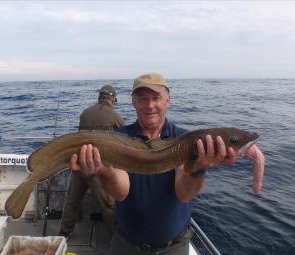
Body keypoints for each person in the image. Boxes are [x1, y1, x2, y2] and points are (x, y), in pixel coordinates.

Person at [69, 73, 265, 254]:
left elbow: (184, 193)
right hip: (126, 243)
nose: (150, 105)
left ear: (168, 100)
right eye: (143, 99)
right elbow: (121, 192)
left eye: (156, 98)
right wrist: (103, 170)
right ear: (133, 102)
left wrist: (198, 168)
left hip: (174, 246)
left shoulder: (183, 138)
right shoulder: (119, 138)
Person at [59, 85, 125, 238]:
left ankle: (65, 231)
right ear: (113, 99)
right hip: (97, 166)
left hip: (79, 164)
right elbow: (125, 139)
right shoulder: (115, 117)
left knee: (72, 200)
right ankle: (117, 236)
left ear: (99, 97)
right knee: (108, 205)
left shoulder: (85, 113)